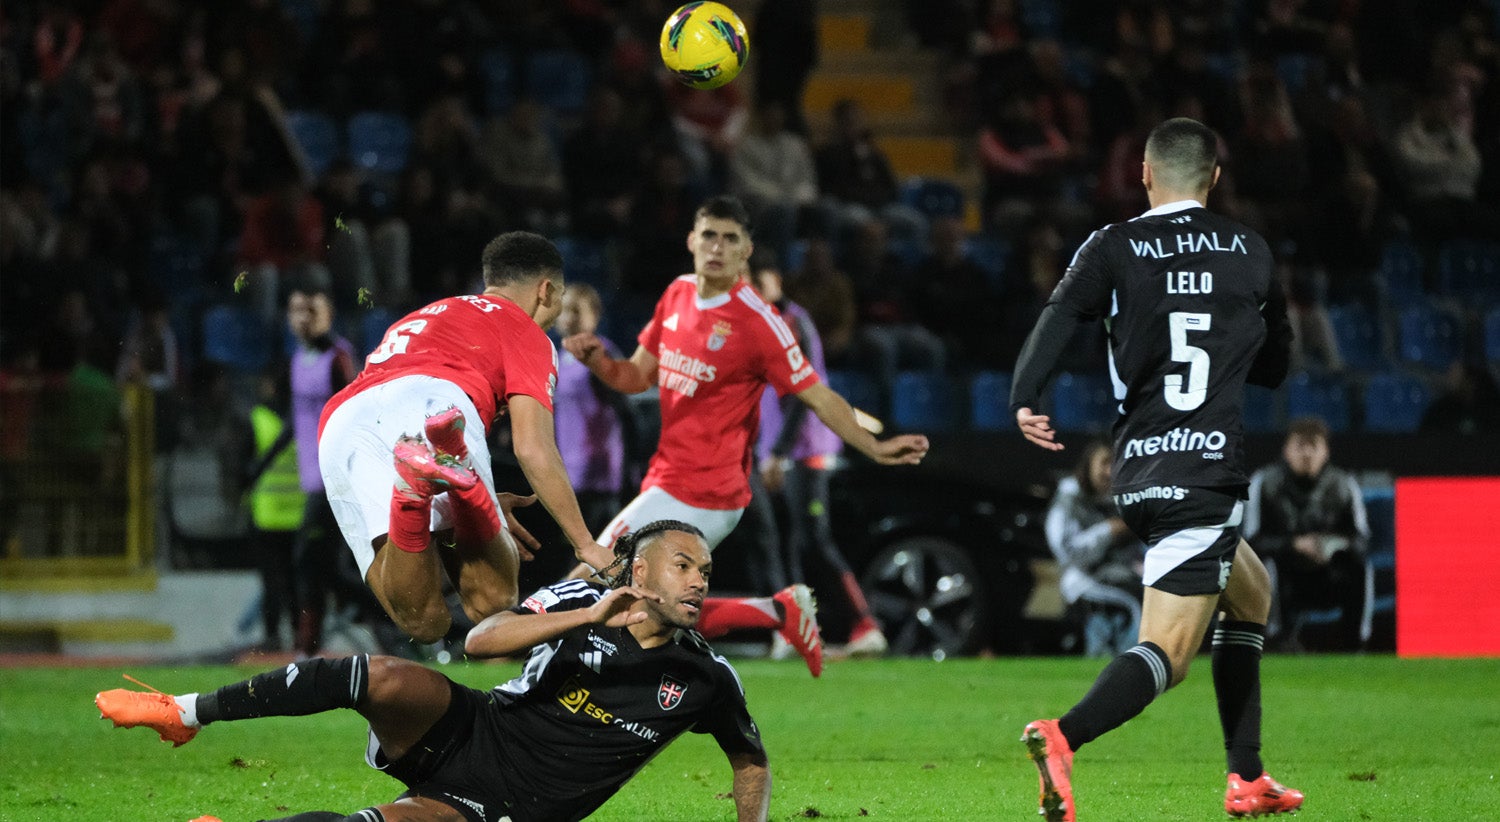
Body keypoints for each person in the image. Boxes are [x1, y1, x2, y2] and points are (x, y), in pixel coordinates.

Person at [1008, 117, 1301, 820]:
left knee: (1251, 593)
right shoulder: (1250, 249)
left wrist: (1025, 397)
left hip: (1137, 470)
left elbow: (1058, 318)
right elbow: (1276, 365)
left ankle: (1247, 777)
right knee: (1168, 652)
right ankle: (1063, 736)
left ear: (1143, 173)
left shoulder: (1112, 244)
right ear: (1215, 178)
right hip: (1204, 471)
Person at [95, 520, 772, 822]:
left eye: (705, 571)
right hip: (478, 729)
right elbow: (482, 639)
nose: (699, 581)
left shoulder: (706, 677)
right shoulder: (578, 600)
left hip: (515, 807)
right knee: (381, 674)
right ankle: (185, 712)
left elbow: (751, 760)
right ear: (641, 571)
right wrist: (588, 616)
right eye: (685, 566)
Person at [563, 196, 929, 677]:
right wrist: (599, 363)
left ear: (746, 250)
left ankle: (544, 678)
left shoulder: (760, 323)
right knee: (638, 610)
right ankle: (777, 613)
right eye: (709, 235)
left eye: (729, 238)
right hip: (667, 479)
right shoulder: (676, 294)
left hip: (711, 492)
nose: (717, 247)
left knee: (591, 584)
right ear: (692, 240)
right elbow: (635, 376)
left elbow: (818, 395)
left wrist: (874, 446)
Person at [318, 231, 611, 645]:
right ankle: (467, 490)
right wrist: (586, 545)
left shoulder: (426, 313)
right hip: (436, 405)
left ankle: (412, 492)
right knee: (492, 601)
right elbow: (533, 447)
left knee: (422, 622)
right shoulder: (523, 328)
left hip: (342, 420)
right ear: (546, 290)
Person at [751, 258, 888, 657]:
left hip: (805, 449)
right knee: (789, 542)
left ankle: (865, 623)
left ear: (776, 279)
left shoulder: (794, 322)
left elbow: (803, 394)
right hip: (777, 450)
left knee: (814, 539)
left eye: (758, 280)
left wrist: (778, 453)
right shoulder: (763, 325)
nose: (753, 289)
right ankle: (796, 629)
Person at [1244, 417, 1371, 650]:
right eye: (1300, 446)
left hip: (1329, 573)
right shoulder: (1265, 483)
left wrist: (1331, 545)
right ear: (1286, 450)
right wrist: (1294, 545)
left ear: (1326, 451)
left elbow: (1361, 540)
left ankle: (1356, 644)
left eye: (1314, 446)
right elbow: (1250, 542)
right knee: (1266, 567)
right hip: (1285, 574)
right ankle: (1276, 641)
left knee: (1361, 567)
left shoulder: (1344, 484)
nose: (1307, 453)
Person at [1045, 440, 1144, 658]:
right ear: (1088, 465)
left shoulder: (1114, 498)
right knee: (1137, 601)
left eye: (1114, 464)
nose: (1109, 471)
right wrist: (1108, 530)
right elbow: (1067, 552)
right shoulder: (1069, 499)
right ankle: (1136, 661)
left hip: (1115, 572)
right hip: (1082, 576)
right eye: (1104, 463)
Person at [552, 284, 637, 534]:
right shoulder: (559, 357)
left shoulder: (601, 352)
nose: (569, 317)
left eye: (576, 310)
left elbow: (626, 412)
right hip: (568, 473)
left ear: (595, 316)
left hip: (599, 474)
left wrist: (628, 470)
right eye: (565, 310)